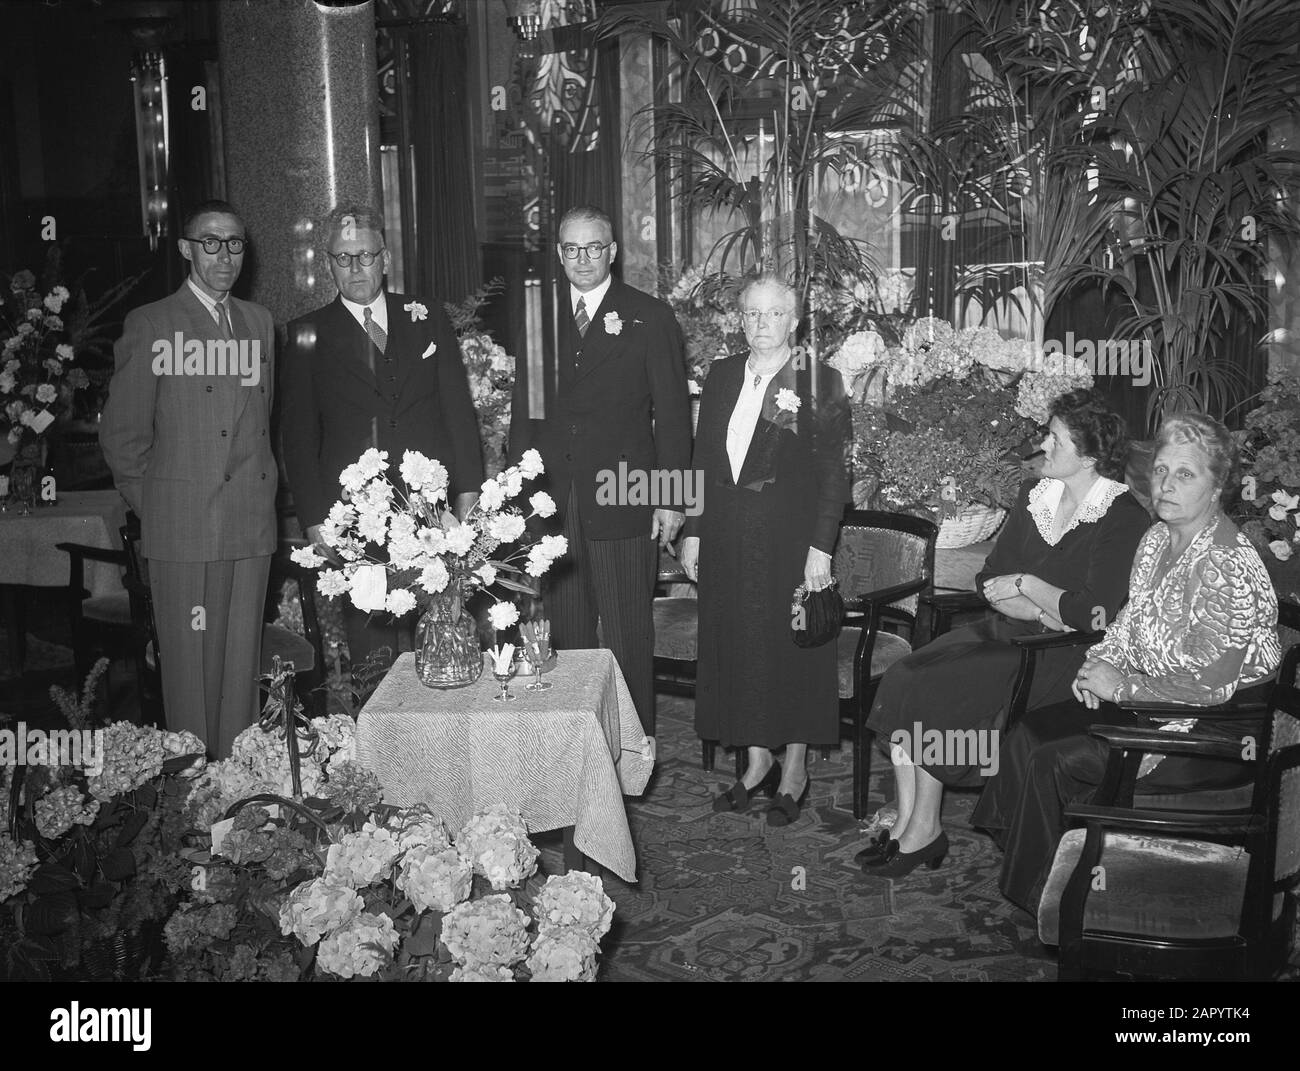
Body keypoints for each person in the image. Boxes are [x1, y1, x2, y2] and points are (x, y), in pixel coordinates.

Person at [973, 412, 1282, 913]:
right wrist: (1100, 662)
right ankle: (1048, 879)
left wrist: (1123, 688)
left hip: (1208, 733)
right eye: (1160, 471)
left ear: (1218, 487)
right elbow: (1128, 622)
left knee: (1054, 760)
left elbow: (1211, 687)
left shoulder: (1226, 563)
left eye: (1186, 474)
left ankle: (1065, 905)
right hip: (1149, 700)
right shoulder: (1158, 539)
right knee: (1027, 732)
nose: (1166, 485)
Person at [858, 389, 1150, 877]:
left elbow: (1092, 615)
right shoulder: (1034, 495)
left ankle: (923, 829)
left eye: (1056, 439)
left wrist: (1029, 584)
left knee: (939, 688)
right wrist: (1040, 603)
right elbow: (989, 578)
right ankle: (910, 821)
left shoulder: (1123, 516)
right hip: (1008, 631)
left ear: (1091, 456)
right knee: (906, 673)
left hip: (1060, 655)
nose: (1044, 446)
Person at [509, 205, 691, 754]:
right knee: (565, 632)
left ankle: (635, 749)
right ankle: (576, 749)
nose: (582, 258)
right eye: (571, 248)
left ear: (613, 252)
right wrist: (520, 497)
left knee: (629, 630)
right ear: (559, 253)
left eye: (593, 247)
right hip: (555, 501)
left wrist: (673, 500)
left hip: (625, 494)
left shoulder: (649, 316)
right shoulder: (542, 317)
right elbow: (528, 410)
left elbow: (675, 415)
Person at [100, 199, 276, 758]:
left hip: (249, 524)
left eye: (235, 244)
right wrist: (162, 510)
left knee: (241, 672)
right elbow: (123, 439)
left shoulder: (259, 323)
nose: (224, 255)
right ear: (185, 249)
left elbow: (259, 425)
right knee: (189, 679)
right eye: (210, 242)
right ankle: (195, 806)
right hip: (182, 530)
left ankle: (242, 799)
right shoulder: (152, 324)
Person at [280, 203, 483, 668]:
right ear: (328, 263)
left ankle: (444, 736)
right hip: (354, 515)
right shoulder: (307, 334)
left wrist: (469, 489)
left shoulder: (425, 315)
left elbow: (457, 408)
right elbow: (299, 434)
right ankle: (383, 738)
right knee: (373, 645)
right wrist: (314, 518)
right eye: (343, 258)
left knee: (443, 631)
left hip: (432, 507)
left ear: (385, 258)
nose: (355, 268)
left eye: (366, 255)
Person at [680, 275, 851, 825]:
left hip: (789, 539)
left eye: (773, 314)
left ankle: (795, 767)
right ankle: (755, 765)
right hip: (729, 536)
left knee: (792, 646)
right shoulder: (724, 373)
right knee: (740, 644)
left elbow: (833, 475)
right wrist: (695, 530)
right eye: (752, 314)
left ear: (793, 321)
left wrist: (820, 549)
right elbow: (704, 460)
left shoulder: (818, 380)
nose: (761, 324)